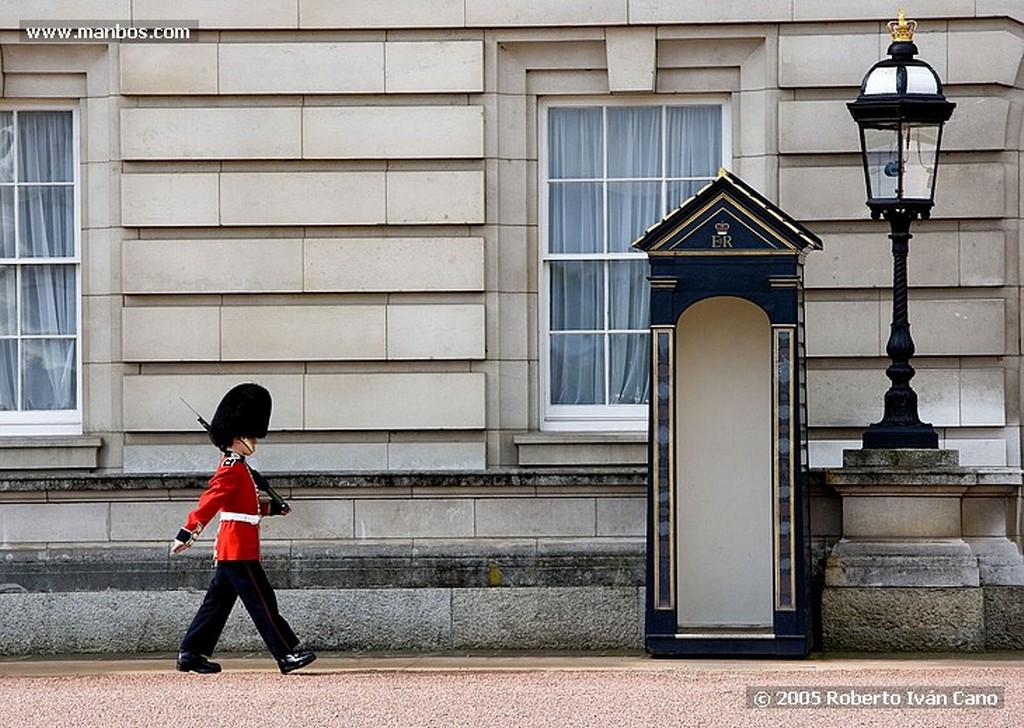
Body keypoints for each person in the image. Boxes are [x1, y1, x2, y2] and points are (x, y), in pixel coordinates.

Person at [171, 382, 316, 675]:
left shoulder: (241, 468)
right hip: (238, 548)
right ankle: (285, 654)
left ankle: (191, 653)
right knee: (262, 601)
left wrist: (274, 509)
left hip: (237, 546)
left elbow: (245, 508)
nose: (254, 441)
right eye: (250, 436)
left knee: (217, 604)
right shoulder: (231, 467)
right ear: (238, 437)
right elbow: (209, 502)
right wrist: (188, 532)